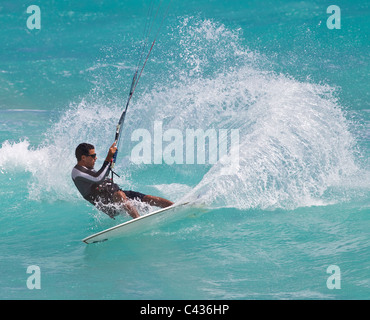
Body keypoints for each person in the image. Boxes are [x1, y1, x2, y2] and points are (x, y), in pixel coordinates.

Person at [71, 142, 173, 219]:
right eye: (93, 156)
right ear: (83, 157)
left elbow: (102, 174)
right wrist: (108, 157)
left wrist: (111, 160)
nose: (96, 158)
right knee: (119, 195)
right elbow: (98, 178)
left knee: (148, 198)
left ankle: (175, 206)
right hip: (109, 205)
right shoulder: (77, 173)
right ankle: (138, 220)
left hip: (118, 195)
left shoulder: (88, 168)